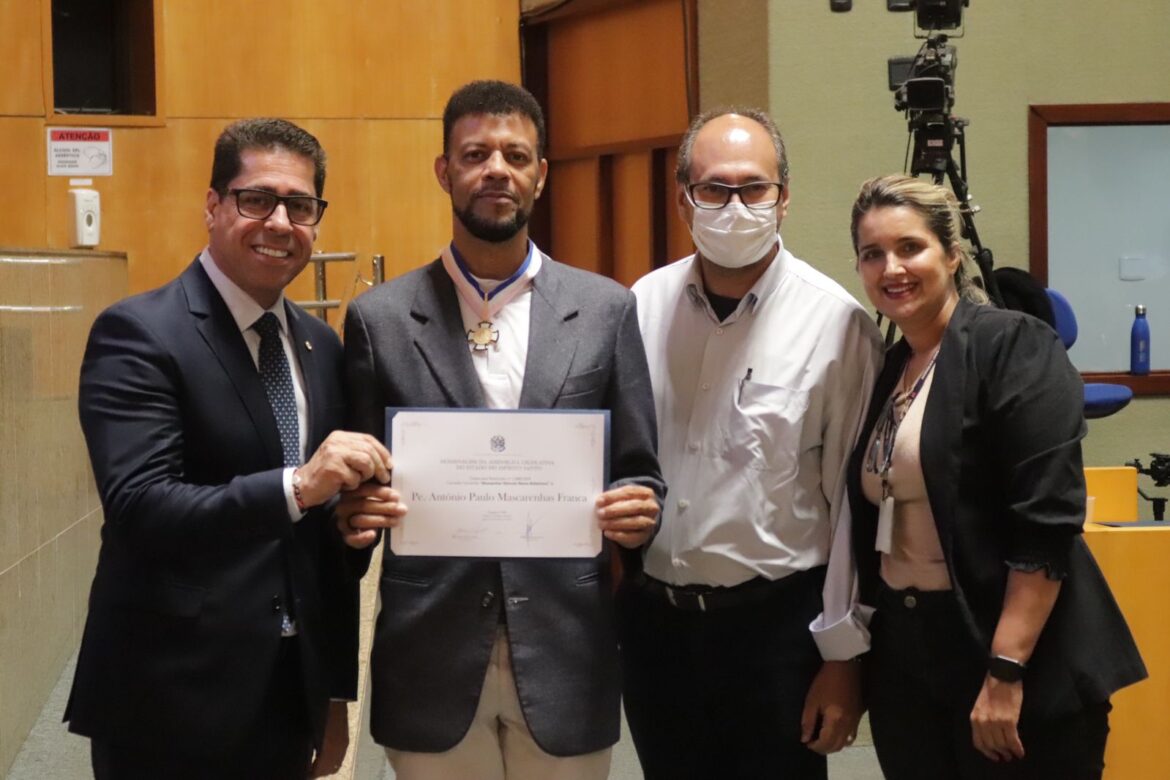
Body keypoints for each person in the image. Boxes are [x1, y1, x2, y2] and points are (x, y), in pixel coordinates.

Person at [337, 80, 665, 780]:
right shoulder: (381, 320)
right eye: (475, 153)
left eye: (516, 155)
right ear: (444, 171)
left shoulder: (605, 310)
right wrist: (356, 511)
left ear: (541, 174)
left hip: (565, 645)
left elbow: (639, 466)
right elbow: (356, 483)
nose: (497, 170)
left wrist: (639, 507)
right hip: (431, 648)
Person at [66, 118, 393, 779]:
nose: (279, 221)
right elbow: (140, 507)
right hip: (169, 697)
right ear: (213, 206)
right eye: (256, 199)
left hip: (284, 694)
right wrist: (299, 489)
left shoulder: (320, 347)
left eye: (300, 206)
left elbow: (318, 553)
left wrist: (332, 695)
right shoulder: (140, 334)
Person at [846, 174, 1147, 779]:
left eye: (910, 247)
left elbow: (1046, 525)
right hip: (909, 652)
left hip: (1013, 651)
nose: (891, 268)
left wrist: (1006, 672)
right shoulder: (891, 367)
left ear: (952, 255)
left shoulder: (1014, 346)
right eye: (872, 254)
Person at [620, 107, 883, 780]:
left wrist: (842, 661)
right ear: (684, 201)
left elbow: (854, 509)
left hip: (776, 634)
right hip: (659, 629)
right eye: (713, 189)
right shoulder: (641, 307)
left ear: (784, 198)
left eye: (753, 188)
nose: (734, 205)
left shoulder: (837, 325)